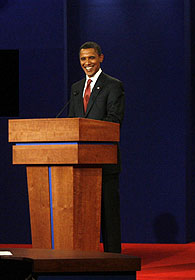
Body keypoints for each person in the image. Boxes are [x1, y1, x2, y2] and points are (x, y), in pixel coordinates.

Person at [68, 41, 124, 253]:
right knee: (82, 216)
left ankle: (113, 260)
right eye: (83, 59)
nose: (87, 62)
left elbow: (114, 121)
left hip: (104, 162)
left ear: (101, 58)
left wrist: (86, 132)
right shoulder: (76, 89)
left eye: (91, 57)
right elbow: (72, 123)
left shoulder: (113, 85)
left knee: (109, 216)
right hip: (79, 164)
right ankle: (84, 258)